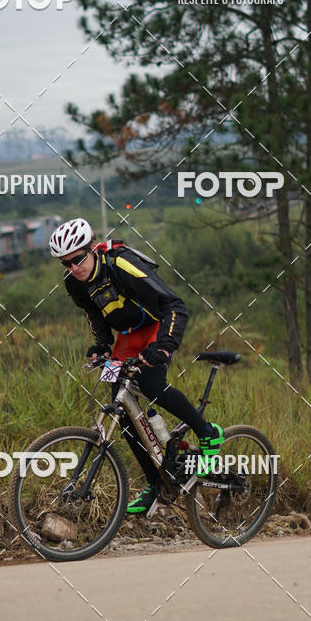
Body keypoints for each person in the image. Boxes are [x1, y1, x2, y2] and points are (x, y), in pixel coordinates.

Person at [49, 217, 225, 515]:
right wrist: (102, 345)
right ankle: (156, 483)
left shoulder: (120, 263)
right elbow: (94, 313)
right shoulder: (72, 282)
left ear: (91, 249)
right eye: (66, 264)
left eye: (77, 259)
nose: (74, 268)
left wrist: (164, 346)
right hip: (129, 335)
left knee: (151, 383)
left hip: (157, 326)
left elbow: (174, 305)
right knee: (121, 405)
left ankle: (208, 432)